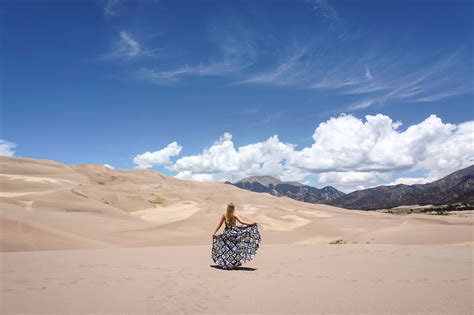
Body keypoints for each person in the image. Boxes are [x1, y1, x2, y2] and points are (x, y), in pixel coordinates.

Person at [211, 203, 261, 269]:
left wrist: (214, 232)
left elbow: (219, 225)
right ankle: (232, 263)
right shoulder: (234, 215)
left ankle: (226, 263)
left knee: (226, 249)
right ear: (233, 209)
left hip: (227, 234)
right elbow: (242, 222)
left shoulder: (224, 215)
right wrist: (251, 224)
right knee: (234, 249)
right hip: (234, 234)